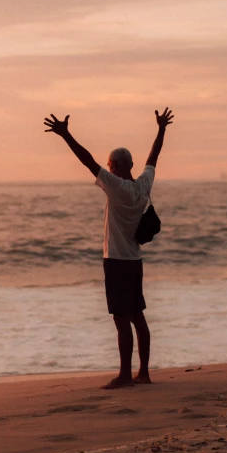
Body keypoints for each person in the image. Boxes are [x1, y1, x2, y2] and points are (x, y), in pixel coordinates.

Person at [44, 107, 174, 389]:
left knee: (120, 318)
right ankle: (144, 373)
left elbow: (87, 161)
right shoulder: (143, 186)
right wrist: (161, 128)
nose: (107, 167)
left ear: (114, 166)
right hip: (135, 260)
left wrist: (66, 135)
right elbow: (153, 157)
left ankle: (125, 375)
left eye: (109, 164)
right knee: (137, 316)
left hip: (116, 259)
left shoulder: (115, 186)